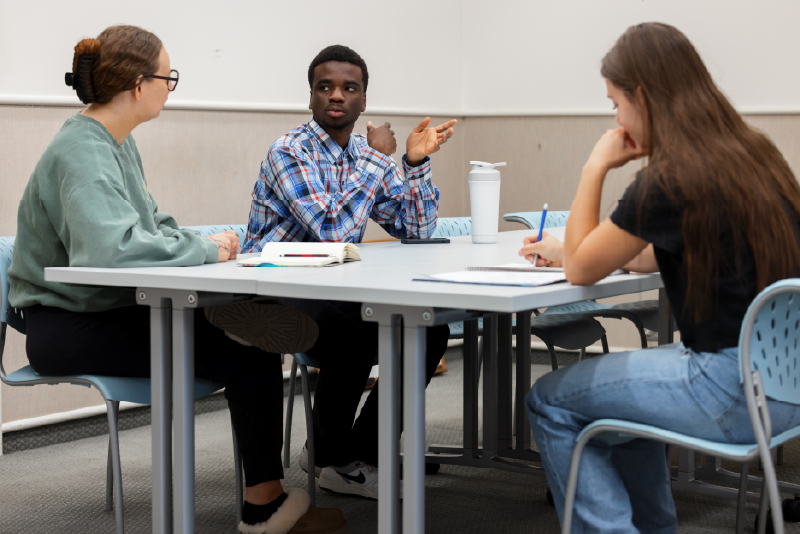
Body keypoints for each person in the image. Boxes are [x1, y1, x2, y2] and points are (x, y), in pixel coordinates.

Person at [8, 25, 346, 534]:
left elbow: (148, 223)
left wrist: (205, 245)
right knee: (250, 344)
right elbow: (110, 252)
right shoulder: (82, 150)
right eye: (169, 77)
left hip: (105, 313)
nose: (170, 87)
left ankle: (267, 503)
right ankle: (266, 509)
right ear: (139, 84)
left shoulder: (113, 141)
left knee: (257, 332)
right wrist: (203, 249)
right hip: (67, 326)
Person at [520, 23, 800, 533]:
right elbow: (651, 253)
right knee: (627, 401)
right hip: (784, 394)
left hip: (725, 391)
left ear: (642, 96)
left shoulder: (670, 176)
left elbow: (583, 269)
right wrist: (567, 250)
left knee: (549, 399)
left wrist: (594, 167)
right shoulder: (754, 154)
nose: (616, 118)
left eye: (615, 104)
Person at [242, 44, 455, 499]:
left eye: (348, 88)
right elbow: (334, 231)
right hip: (274, 290)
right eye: (325, 87)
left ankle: (347, 454)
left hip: (332, 289)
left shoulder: (362, 154)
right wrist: (380, 159)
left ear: (363, 101)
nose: (336, 95)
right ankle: (334, 456)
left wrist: (413, 164)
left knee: (429, 327)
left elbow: (416, 229)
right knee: (359, 331)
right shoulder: (288, 152)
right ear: (311, 97)